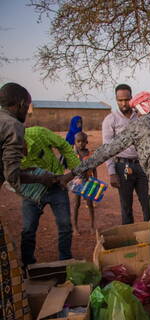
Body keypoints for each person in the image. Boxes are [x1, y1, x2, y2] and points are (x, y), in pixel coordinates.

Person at [61, 90, 150, 290]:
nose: (137, 113)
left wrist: (75, 172)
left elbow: (108, 150)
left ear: (142, 108)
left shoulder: (139, 124)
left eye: (137, 109)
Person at [0, 82, 57, 320]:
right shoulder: (12, 124)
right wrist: (39, 178)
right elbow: (11, 176)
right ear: (21, 104)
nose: (27, 111)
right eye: (27, 106)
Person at [20, 126, 80, 266]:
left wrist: (76, 170)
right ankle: (28, 265)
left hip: (57, 186)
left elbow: (63, 145)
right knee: (28, 229)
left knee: (65, 225)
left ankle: (65, 261)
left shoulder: (38, 133)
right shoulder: (7, 150)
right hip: (30, 192)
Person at [102, 84, 150, 224]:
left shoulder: (141, 116)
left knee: (147, 204)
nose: (124, 103)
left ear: (132, 98)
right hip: (122, 167)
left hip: (142, 166)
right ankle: (130, 242)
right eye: (120, 100)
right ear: (116, 100)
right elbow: (107, 148)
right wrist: (111, 172)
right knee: (126, 207)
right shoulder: (111, 120)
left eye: (127, 99)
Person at [72, 131, 97, 235]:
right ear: (75, 142)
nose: (81, 144)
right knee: (76, 204)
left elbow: (94, 168)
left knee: (89, 204)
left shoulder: (89, 154)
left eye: (83, 142)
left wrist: (96, 180)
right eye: (78, 141)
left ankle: (92, 226)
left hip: (88, 181)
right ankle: (75, 227)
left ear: (86, 142)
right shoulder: (73, 154)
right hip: (77, 182)